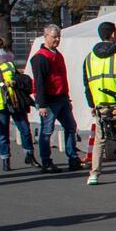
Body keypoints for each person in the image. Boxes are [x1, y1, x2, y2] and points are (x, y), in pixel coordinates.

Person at [83, 20, 116, 186]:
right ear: (113, 34)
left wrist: (92, 104)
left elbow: (87, 83)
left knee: (100, 139)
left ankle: (94, 174)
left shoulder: (89, 57)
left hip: (100, 105)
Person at [29, 24, 83, 173]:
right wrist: (42, 104)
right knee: (46, 131)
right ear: (46, 36)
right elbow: (39, 82)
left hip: (62, 98)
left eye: (59, 37)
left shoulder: (57, 54)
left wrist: (67, 97)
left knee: (70, 127)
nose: (57, 39)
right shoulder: (40, 57)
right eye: (54, 37)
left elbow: (62, 78)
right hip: (49, 100)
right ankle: (46, 162)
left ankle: (73, 158)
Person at [0, 40, 37, 171]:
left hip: (14, 101)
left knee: (24, 129)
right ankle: (5, 159)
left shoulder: (8, 65)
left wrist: (14, 82)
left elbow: (21, 78)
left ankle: (29, 155)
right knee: (3, 134)